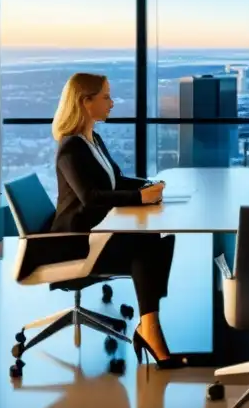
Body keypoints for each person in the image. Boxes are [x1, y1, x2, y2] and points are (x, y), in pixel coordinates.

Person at [51, 72, 177, 368]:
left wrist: (147, 185)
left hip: (96, 231)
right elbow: (90, 198)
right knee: (146, 245)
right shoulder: (71, 147)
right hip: (74, 241)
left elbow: (115, 180)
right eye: (105, 96)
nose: (112, 103)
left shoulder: (92, 138)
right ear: (85, 102)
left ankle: (149, 325)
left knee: (155, 240)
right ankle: (150, 329)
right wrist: (139, 199)